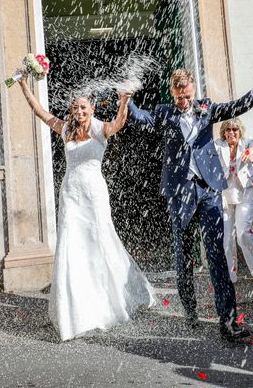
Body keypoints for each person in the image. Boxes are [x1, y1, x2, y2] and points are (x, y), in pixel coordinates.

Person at [127, 58, 253, 341]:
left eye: (188, 96)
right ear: (173, 93)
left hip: (208, 190)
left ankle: (228, 321)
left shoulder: (207, 108)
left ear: (194, 90)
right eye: (180, 97)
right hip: (179, 192)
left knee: (217, 253)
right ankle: (190, 310)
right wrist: (127, 99)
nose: (185, 101)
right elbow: (140, 118)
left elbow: (236, 107)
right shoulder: (164, 112)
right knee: (184, 256)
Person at [17, 75, 155, 342]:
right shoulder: (66, 128)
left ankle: (106, 299)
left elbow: (119, 123)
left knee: (99, 240)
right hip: (70, 193)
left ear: (92, 107)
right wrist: (24, 86)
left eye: (83, 107)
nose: (79, 111)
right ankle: (74, 309)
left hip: (93, 193)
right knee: (71, 244)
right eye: (75, 107)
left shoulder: (100, 128)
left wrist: (124, 101)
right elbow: (40, 112)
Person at [214, 118, 253, 284]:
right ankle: (230, 276)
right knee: (226, 238)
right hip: (224, 194)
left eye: (235, 129)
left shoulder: (246, 143)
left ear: (240, 131)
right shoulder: (218, 145)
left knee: (243, 233)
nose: (231, 133)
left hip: (244, 192)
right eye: (228, 130)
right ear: (224, 132)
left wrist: (251, 151)